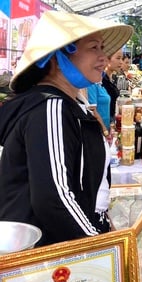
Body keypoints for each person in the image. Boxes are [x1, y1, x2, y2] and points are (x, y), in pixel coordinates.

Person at [0, 11, 132, 246]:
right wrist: (101, 247)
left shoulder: (70, 104)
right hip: (49, 257)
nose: (104, 58)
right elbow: (55, 199)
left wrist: (103, 225)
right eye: (94, 48)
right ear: (56, 58)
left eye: (103, 48)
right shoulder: (49, 108)